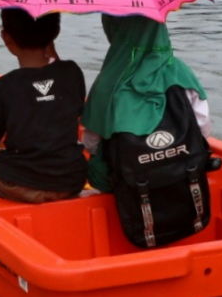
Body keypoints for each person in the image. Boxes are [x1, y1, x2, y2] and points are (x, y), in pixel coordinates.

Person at [0, 8, 87, 203]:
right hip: (71, 182)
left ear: (6, 38)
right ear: (55, 33)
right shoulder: (72, 73)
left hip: (23, 186)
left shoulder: (3, 86)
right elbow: (73, 103)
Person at [82, 15, 210, 194]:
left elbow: (91, 143)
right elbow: (202, 127)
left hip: (130, 182)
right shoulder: (182, 72)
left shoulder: (109, 80)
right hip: (182, 174)